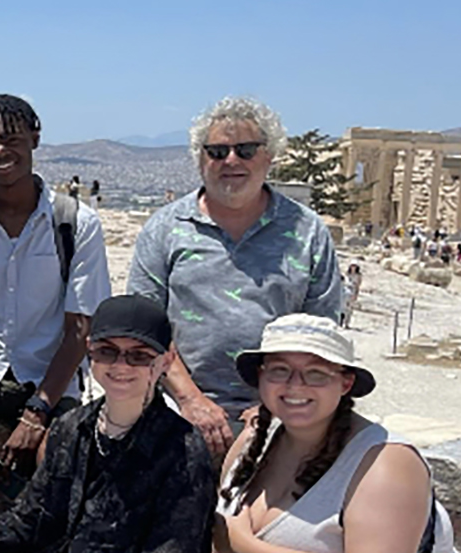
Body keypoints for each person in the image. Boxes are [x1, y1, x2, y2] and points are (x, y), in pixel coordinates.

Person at [0, 294, 217, 553]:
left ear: (165, 361)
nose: (121, 366)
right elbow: (28, 522)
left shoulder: (184, 450)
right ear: (90, 354)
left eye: (138, 355)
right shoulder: (73, 427)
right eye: (107, 352)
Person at [209, 314, 461, 553]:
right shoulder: (253, 441)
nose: (295, 385)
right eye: (279, 370)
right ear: (261, 377)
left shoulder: (384, 462)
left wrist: (247, 549)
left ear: (345, 383)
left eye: (316, 373)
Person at [127, 96, 340, 457]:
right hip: (175, 411)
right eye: (217, 151)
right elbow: (143, 330)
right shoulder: (165, 229)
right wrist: (191, 401)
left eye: (245, 149)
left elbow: (321, 333)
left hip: (287, 414)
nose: (231, 161)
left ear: (269, 156)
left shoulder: (307, 231)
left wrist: (276, 406)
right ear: (200, 159)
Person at [0, 94, 111, 518]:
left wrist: (38, 413)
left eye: (10, 139)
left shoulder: (75, 224)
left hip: (50, 381)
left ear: (35, 138)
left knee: (62, 471)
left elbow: (80, 329)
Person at [341, 263, 362, 329]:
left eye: (355, 266)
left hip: (352, 291)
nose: (353, 267)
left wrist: (356, 295)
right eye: (352, 266)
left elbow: (358, 286)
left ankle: (347, 323)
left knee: (349, 309)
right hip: (345, 291)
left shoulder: (358, 276)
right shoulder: (347, 274)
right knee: (343, 307)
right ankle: (341, 322)